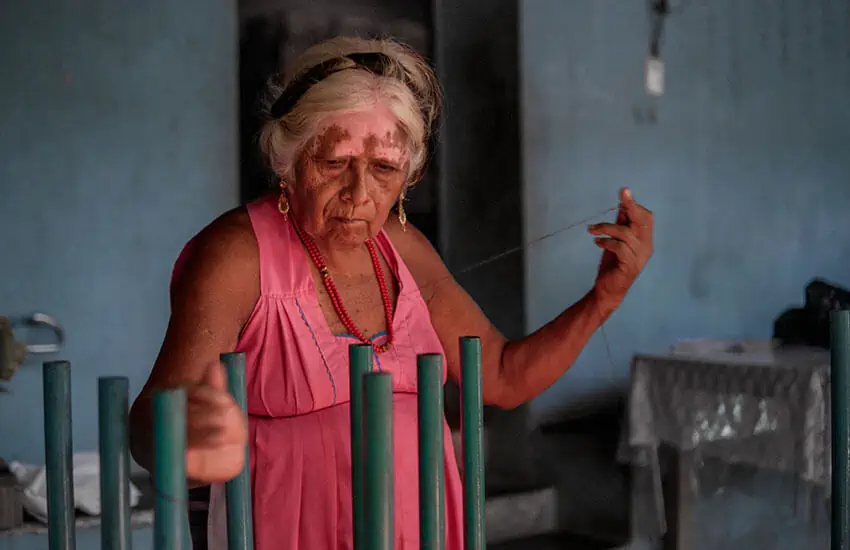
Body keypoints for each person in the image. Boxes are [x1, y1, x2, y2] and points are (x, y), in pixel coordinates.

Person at [128, 36, 654, 550]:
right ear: (286, 162)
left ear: (408, 177)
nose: (359, 194)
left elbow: (500, 376)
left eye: (383, 169)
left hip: (420, 530)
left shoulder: (402, 247)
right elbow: (151, 419)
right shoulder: (237, 254)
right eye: (334, 163)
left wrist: (603, 297)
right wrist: (186, 434)